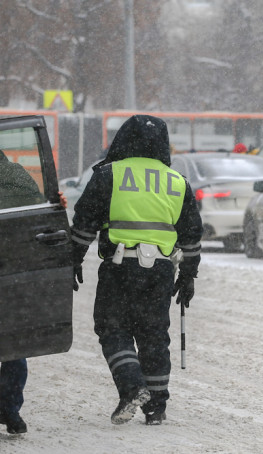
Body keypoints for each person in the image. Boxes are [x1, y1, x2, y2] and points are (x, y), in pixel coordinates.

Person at [70, 115, 203, 426]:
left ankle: (131, 387)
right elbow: (192, 236)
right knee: (154, 334)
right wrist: (188, 275)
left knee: (113, 328)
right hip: (160, 270)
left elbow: (85, 222)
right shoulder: (177, 181)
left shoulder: (109, 174)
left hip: (120, 265)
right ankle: (156, 405)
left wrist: (73, 258)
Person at [0, 151, 68, 435]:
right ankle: (9, 408)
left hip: (11, 267)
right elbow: (37, 214)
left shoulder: (13, 176)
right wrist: (54, 205)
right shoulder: (17, 174)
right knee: (14, 343)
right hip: (13, 267)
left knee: (14, 344)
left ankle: (8, 408)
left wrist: (55, 205)